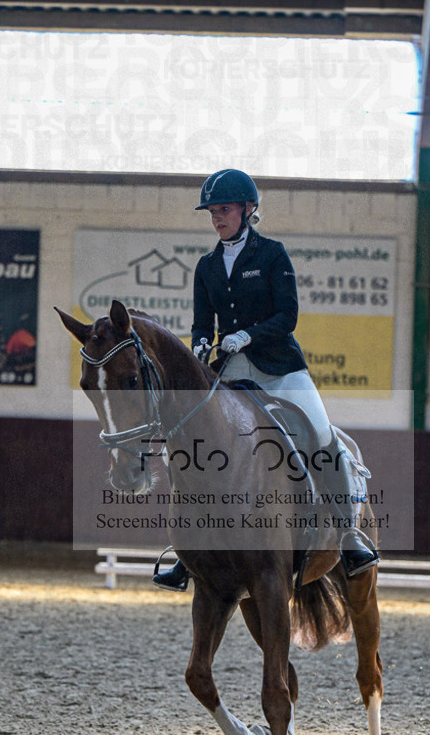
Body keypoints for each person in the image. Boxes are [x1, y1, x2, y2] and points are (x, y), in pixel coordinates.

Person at [153, 168, 378, 591]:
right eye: (212, 212)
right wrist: (201, 344)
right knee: (191, 438)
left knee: (322, 435)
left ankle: (349, 534)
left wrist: (248, 335)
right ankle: (191, 550)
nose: (217, 217)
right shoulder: (206, 266)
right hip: (232, 367)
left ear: (248, 209)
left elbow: (287, 316)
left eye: (224, 209)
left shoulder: (273, 255)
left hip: (281, 367)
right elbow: (203, 323)